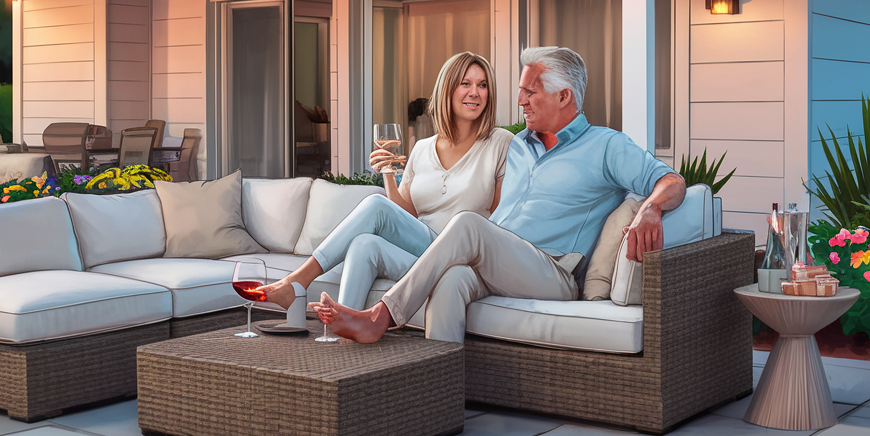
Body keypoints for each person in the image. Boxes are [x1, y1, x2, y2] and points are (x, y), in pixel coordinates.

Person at [313, 46, 686, 344]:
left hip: (552, 270)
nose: (520, 100)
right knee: (451, 279)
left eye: (530, 91)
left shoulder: (606, 145)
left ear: (564, 96)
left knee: (468, 226)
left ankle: (379, 319)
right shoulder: (518, 144)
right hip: (496, 259)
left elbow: (672, 181)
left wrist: (649, 209)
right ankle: (437, 394)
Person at [258, 52, 515, 312]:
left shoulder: (500, 143)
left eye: (482, 85)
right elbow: (406, 216)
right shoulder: (423, 148)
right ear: (447, 89)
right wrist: (389, 173)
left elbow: (499, 217)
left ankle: (298, 281)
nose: (475, 92)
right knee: (364, 244)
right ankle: (347, 324)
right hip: (423, 253)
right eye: (466, 83)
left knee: (376, 205)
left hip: (461, 256)